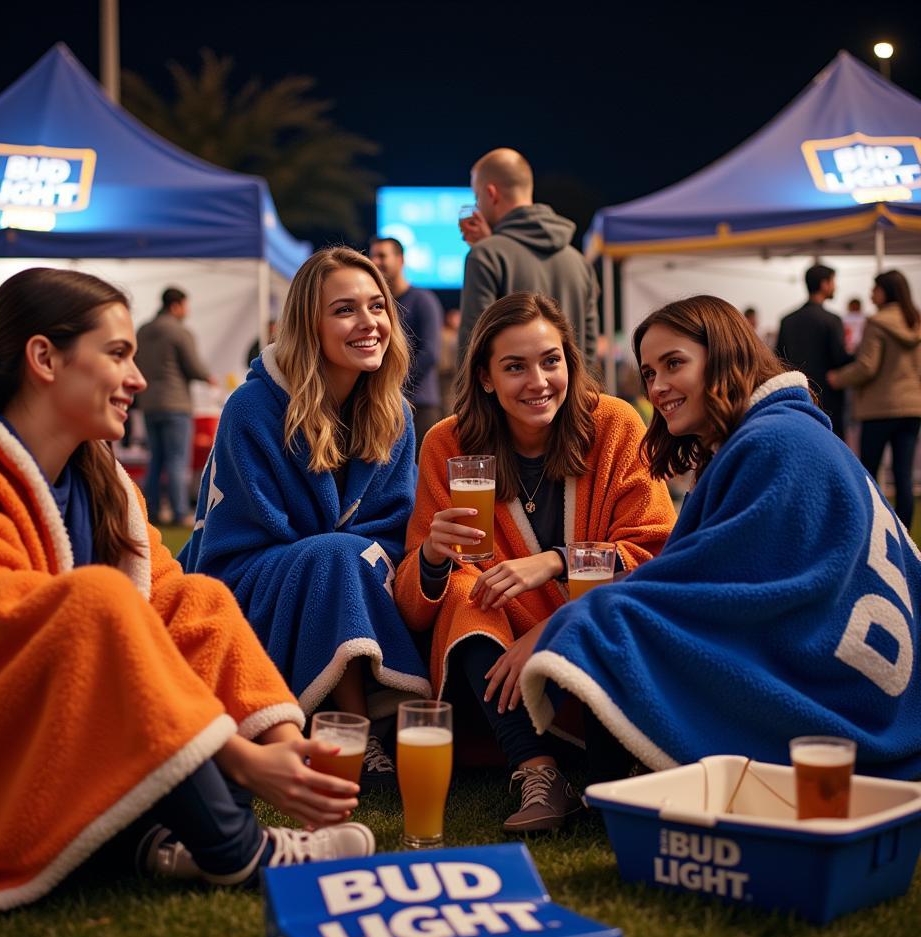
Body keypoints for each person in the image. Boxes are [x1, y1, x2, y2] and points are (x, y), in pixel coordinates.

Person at [0, 268, 373, 934]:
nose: (140, 378)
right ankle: (239, 848)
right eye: (118, 354)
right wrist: (239, 760)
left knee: (192, 595)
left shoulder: (101, 478)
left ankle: (147, 839)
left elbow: (178, 601)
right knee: (99, 601)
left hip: (55, 752)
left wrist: (280, 737)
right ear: (44, 359)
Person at [519, 295, 921, 783]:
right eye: (648, 373)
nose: (659, 386)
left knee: (604, 621)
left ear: (725, 355)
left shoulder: (774, 441)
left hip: (849, 697)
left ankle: (603, 795)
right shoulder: (774, 431)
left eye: (674, 364)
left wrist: (575, 613)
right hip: (868, 684)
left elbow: (711, 579)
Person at [394, 293, 676, 831]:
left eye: (551, 361)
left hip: (591, 625)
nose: (538, 381)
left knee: (604, 604)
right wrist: (431, 555)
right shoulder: (447, 444)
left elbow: (652, 555)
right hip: (497, 653)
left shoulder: (615, 426)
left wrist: (554, 570)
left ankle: (610, 768)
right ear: (484, 378)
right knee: (462, 590)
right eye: (515, 367)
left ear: (570, 362)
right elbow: (419, 601)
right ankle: (537, 771)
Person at [181, 247, 431, 786]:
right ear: (308, 325)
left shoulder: (396, 414)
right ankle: (356, 733)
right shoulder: (252, 408)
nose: (369, 323)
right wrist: (341, 549)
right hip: (250, 577)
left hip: (353, 569)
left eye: (377, 307)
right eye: (345, 310)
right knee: (336, 557)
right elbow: (248, 532)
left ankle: (363, 717)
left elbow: (393, 524)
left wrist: (354, 550)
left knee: (356, 561)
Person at [457, 149, 600, 368]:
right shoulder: (579, 262)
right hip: (573, 399)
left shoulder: (485, 256)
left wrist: (490, 247)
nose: (477, 206)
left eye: (477, 197)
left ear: (491, 193)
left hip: (511, 400)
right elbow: (589, 350)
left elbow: (473, 348)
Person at [827, 270, 921, 528]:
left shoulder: (878, 322)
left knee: (867, 474)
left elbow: (867, 366)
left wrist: (838, 377)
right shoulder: (916, 322)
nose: (871, 293)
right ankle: (905, 535)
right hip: (912, 409)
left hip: (879, 409)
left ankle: (871, 531)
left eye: (875, 288)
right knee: (903, 476)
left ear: (886, 291)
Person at [134, 287, 216, 526]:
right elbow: (193, 366)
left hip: (149, 402)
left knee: (156, 458)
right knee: (178, 460)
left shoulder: (143, 330)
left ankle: (151, 510)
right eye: (185, 305)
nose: (187, 311)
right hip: (175, 402)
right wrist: (208, 377)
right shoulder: (179, 331)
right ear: (176, 306)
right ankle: (180, 512)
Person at [369, 236, 444, 454]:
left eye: (382, 255)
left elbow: (430, 353)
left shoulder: (423, 300)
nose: (376, 261)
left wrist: (391, 382)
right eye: (373, 255)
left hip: (420, 406)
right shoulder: (377, 305)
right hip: (384, 407)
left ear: (400, 260)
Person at [775, 264, 851, 439]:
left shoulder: (787, 320)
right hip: (828, 396)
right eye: (833, 282)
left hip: (796, 393)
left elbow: (778, 358)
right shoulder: (832, 320)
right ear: (824, 284)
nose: (835, 287)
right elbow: (839, 358)